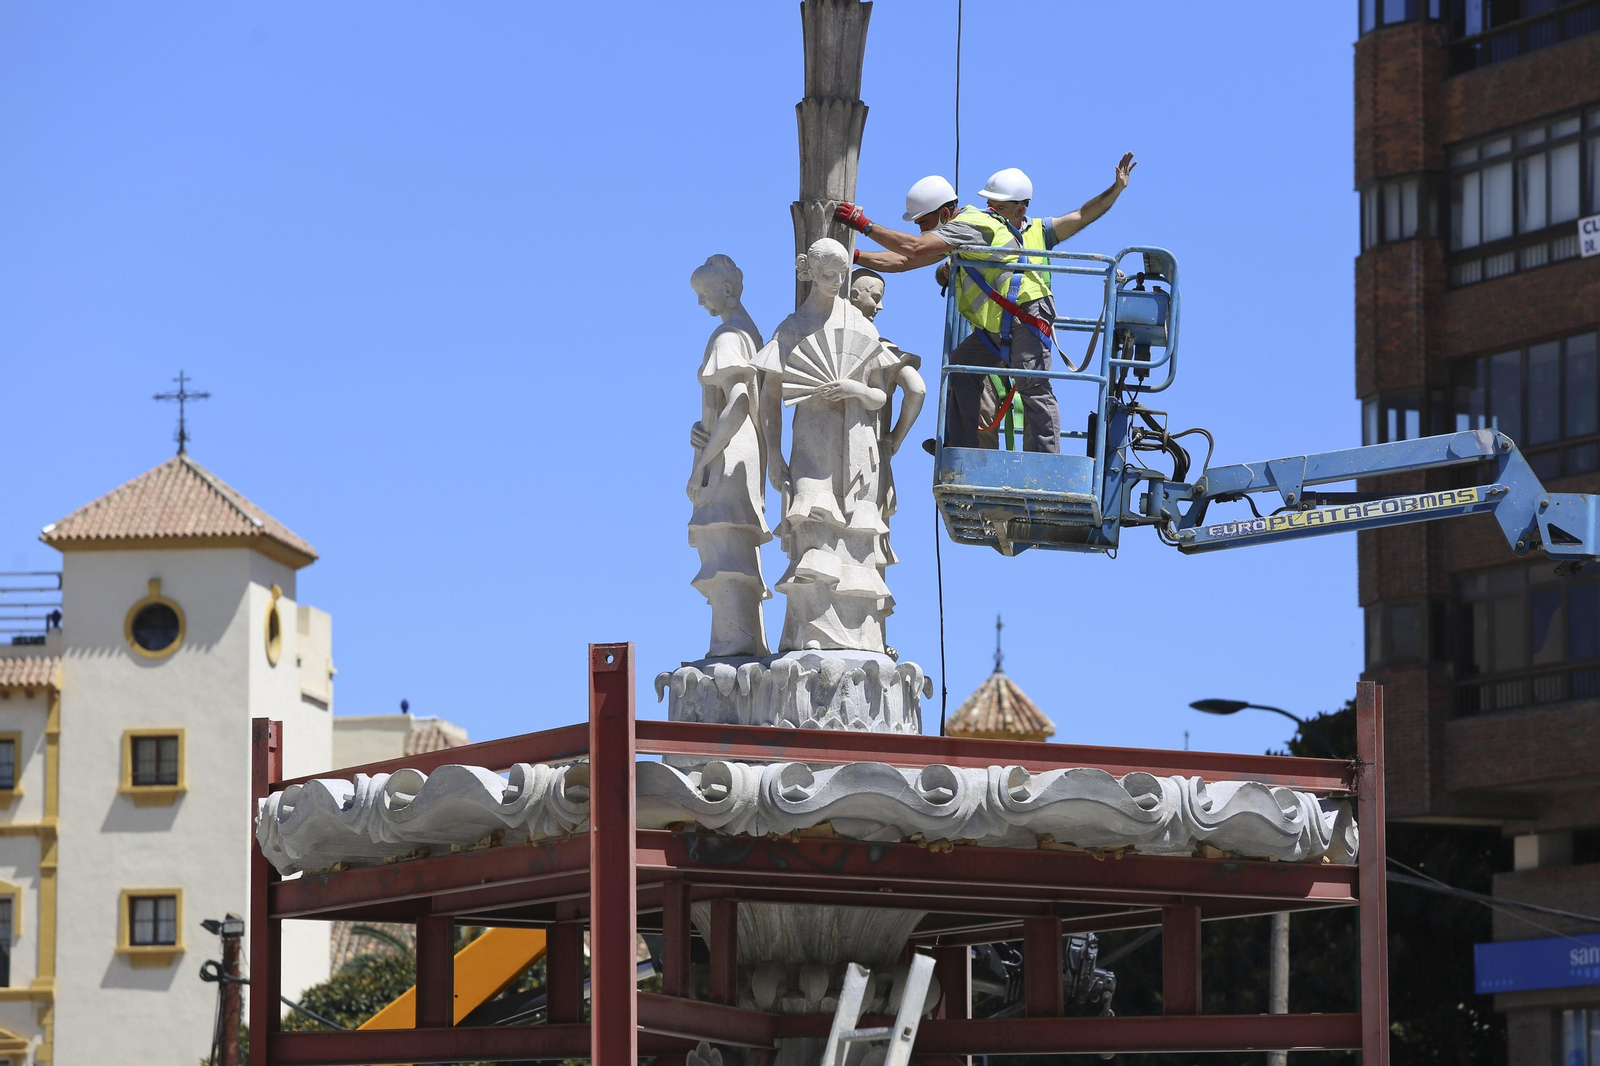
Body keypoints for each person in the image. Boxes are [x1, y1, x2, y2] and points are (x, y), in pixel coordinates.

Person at [838, 155, 1137, 454]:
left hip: (1026, 314)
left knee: (1034, 387)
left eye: (924, 223)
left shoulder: (980, 225)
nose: (921, 231)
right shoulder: (963, 232)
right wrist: (856, 256)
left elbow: (914, 249)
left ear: (945, 213)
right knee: (961, 366)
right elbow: (906, 259)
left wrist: (864, 225)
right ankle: (962, 448)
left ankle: (1047, 462)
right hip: (998, 325)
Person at [754, 239, 899, 654]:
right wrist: (774, 454)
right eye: (827, 275)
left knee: (853, 537)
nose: (835, 283)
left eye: (841, 275)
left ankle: (859, 635)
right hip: (811, 443)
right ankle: (812, 633)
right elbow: (769, 400)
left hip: (855, 444)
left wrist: (853, 388)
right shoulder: (793, 328)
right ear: (809, 274)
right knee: (815, 533)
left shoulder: (861, 326)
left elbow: (880, 398)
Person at [686, 255, 772, 659]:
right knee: (734, 541)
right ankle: (741, 638)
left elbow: (736, 402)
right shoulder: (748, 332)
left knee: (723, 542)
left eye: (704, 295)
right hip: (740, 448)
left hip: (729, 452)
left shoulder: (728, 336)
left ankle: (732, 643)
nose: (702, 304)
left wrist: (703, 462)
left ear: (726, 288)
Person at [848, 267, 926, 579]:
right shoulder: (884, 348)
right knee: (868, 559)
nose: (880, 307)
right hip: (873, 457)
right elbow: (917, 390)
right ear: (854, 295)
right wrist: (895, 438)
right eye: (876, 298)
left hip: (823, 465)